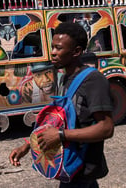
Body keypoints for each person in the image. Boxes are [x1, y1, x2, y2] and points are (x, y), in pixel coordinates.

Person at [9, 22, 114, 187]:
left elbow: (106, 128)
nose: (53, 53)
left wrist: (60, 135)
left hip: (82, 167)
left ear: (76, 52)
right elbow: (56, 121)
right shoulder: (63, 77)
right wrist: (29, 144)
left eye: (58, 48)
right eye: (52, 47)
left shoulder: (93, 80)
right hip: (69, 168)